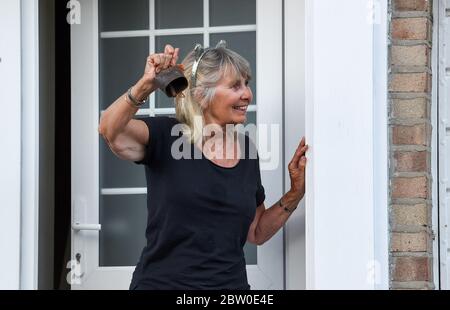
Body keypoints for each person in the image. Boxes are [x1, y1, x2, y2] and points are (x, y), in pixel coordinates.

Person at [98, 42, 308, 290]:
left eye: (247, 83)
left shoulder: (247, 150)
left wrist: (295, 193)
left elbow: (257, 231)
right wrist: (146, 85)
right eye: (235, 86)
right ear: (201, 95)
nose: (247, 94)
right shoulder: (168, 136)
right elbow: (109, 129)